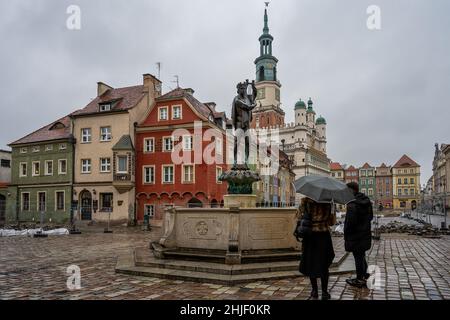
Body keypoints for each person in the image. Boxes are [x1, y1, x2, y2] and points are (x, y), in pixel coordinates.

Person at [298, 197, 336, 300]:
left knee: (311, 262)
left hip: (310, 236)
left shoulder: (305, 202)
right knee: (324, 264)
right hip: (323, 236)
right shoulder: (328, 202)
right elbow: (332, 222)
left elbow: (299, 217)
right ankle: (324, 292)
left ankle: (314, 291)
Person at [344, 182, 374, 288]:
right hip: (364, 233)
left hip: (355, 235)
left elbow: (350, 222)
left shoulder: (352, 204)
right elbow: (371, 217)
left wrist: (346, 232)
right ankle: (365, 274)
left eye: (347, 190)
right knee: (361, 255)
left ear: (352, 190)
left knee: (357, 257)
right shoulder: (366, 201)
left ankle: (359, 279)